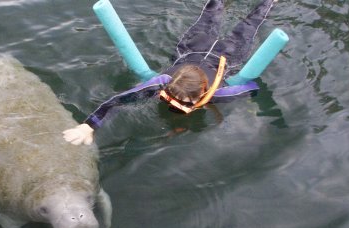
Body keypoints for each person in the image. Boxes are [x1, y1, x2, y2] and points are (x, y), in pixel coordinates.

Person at [63, 0, 278, 145]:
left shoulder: (220, 95)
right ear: (167, 85)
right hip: (193, 46)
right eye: (169, 97)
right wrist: (88, 126)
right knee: (212, 12)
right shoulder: (162, 81)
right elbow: (119, 100)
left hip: (228, 56)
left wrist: (250, 100)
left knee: (251, 24)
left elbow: (252, 88)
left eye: (181, 104)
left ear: (201, 97)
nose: (172, 103)